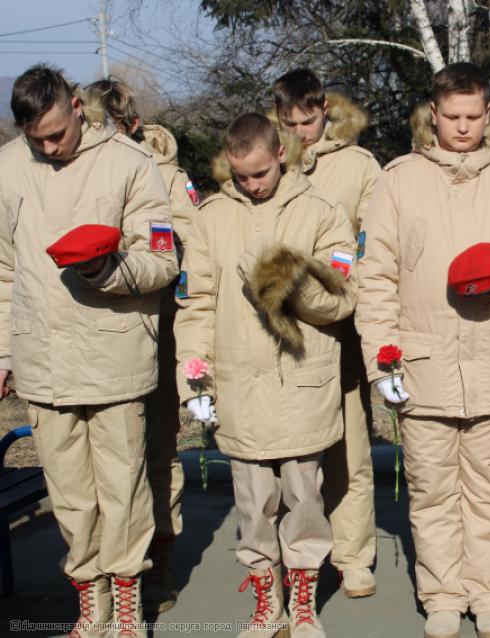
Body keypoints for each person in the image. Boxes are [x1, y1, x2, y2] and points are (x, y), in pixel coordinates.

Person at [355, 62, 490, 638]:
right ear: (433, 114)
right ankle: (442, 594)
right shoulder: (398, 180)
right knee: (432, 490)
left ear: (488, 115)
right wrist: (382, 360)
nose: (462, 127)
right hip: (421, 365)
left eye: (473, 116)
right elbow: (375, 277)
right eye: (451, 117)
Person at [0, 65, 179, 637]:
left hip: (114, 357)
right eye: (37, 139)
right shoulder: (7, 168)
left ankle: (126, 607)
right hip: (42, 360)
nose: (49, 148)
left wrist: (107, 269)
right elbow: (4, 272)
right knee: (71, 495)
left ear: (76, 105)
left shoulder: (131, 163)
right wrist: (3, 353)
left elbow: (163, 260)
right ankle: (91, 606)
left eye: (56, 134)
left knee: (123, 489)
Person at [174, 113, 356, 638]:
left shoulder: (322, 211)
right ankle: (266, 604)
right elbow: (196, 303)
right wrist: (195, 378)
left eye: (260, 173)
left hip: (300, 381)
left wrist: (281, 282)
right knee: (253, 505)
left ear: (281, 153)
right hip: (239, 385)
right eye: (240, 176)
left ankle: (302, 604)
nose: (251, 184)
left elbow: (342, 299)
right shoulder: (210, 217)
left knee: (305, 501)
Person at [82, 76, 201, 614]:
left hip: (156, 331)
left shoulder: (168, 177)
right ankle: (103, 570)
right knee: (99, 464)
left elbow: (190, 248)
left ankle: (159, 560)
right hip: (92, 337)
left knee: (154, 454)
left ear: (130, 124)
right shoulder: (76, 171)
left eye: (102, 126)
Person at [272, 68, 381, 598]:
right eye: (289, 123)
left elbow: (375, 241)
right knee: (289, 453)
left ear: (325, 112)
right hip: (282, 332)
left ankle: (354, 556)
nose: (300, 133)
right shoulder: (267, 161)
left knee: (349, 448)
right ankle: (292, 555)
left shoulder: (359, 166)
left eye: (308, 121)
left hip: (341, 327)